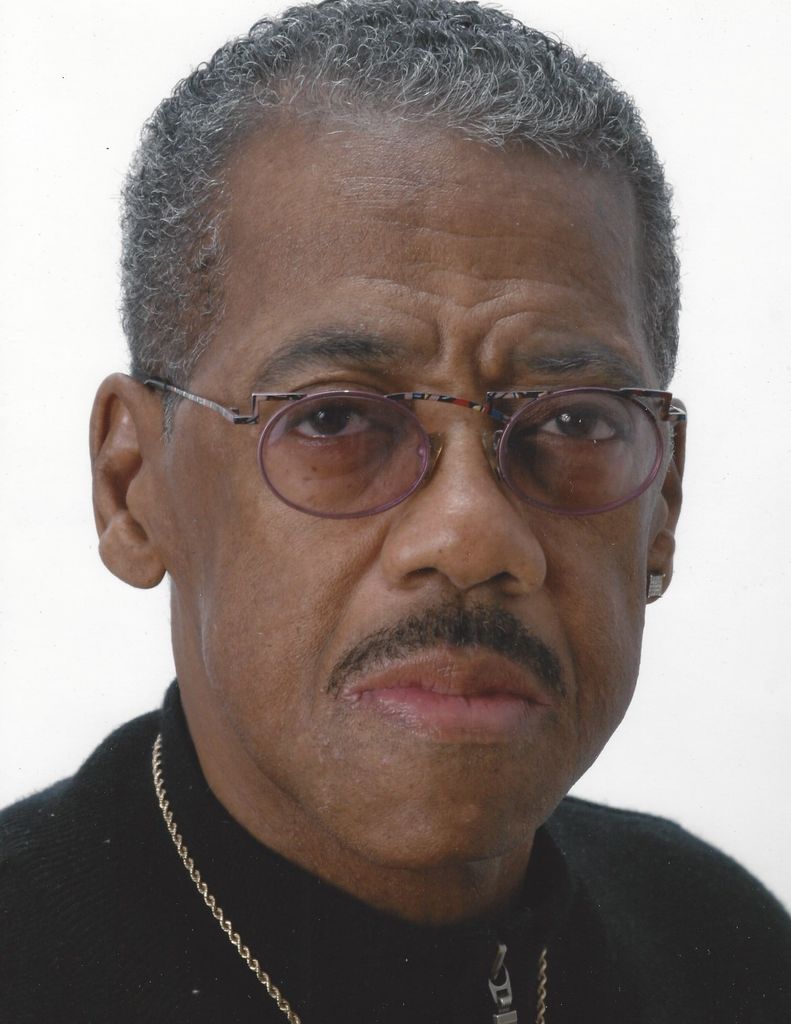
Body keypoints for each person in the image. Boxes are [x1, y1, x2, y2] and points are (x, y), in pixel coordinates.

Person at [1, 1, 789, 1020]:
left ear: (663, 503)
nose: (471, 535)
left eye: (572, 422)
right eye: (333, 418)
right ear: (130, 487)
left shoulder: (726, 952)